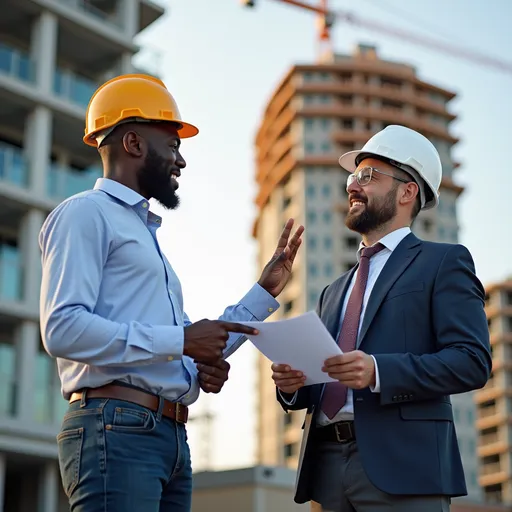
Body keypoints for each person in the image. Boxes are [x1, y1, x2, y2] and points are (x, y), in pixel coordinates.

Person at [39, 73, 304, 512]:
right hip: (117, 429)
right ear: (134, 144)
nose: (180, 161)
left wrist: (262, 293)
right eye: (173, 145)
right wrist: (182, 342)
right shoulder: (84, 215)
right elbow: (62, 328)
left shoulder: (145, 237)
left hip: (167, 436)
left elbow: (189, 340)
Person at [271, 125, 491, 512]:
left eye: (368, 176)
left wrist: (378, 371)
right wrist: (294, 385)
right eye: (353, 177)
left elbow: (472, 362)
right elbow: (321, 382)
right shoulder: (334, 290)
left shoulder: (443, 262)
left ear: (407, 191)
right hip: (327, 471)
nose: (353, 186)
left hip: (406, 469)